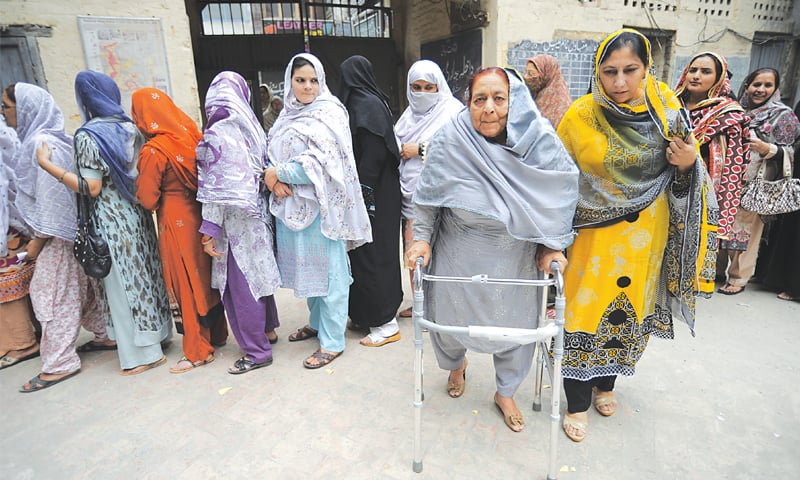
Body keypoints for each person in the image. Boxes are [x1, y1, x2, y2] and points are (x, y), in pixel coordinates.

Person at [556, 29, 718, 442]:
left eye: (631, 70)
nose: (621, 82)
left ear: (647, 69)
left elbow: (690, 185)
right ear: (598, 72)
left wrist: (686, 166)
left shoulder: (668, 112)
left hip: (646, 239)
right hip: (591, 241)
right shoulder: (579, 115)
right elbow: (555, 181)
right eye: (610, 72)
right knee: (583, 316)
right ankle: (576, 404)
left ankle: (606, 384)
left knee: (626, 314)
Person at [405, 67, 579, 432]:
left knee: (514, 332)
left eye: (499, 99)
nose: (488, 109)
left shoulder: (539, 140)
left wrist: (551, 247)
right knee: (449, 328)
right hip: (458, 249)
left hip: (514, 258)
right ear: (467, 103)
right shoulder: (451, 138)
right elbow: (427, 200)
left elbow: (557, 196)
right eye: (478, 99)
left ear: (514, 102)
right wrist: (420, 239)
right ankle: (457, 364)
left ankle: (505, 391)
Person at [39, 71, 173, 376]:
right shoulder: (130, 128)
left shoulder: (88, 135)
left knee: (123, 288)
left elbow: (92, 187)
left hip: (111, 221)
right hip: (138, 217)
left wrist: (49, 166)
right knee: (145, 278)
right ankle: (158, 338)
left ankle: (144, 355)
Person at [264, 53, 372, 368]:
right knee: (307, 270)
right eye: (300, 80)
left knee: (331, 276)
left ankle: (333, 341)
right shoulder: (286, 115)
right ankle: (316, 323)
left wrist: (277, 174)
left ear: (321, 81)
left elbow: (324, 163)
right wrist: (272, 178)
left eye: (313, 80)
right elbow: (270, 153)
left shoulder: (330, 113)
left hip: (323, 210)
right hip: (290, 206)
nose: (307, 86)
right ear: (290, 82)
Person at [5, 82, 109, 391]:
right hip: (72, 233)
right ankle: (107, 335)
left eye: (6, 106)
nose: (3, 113)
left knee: (51, 297)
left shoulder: (40, 143)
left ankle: (59, 363)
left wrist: (34, 245)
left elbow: (52, 203)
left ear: (24, 110)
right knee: (84, 288)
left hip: (56, 237)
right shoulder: (57, 138)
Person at [132, 88, 228, 374]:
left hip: (175, 221)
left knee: (185, 283)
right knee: (206, 277)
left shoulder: (154, 151)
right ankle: (218, 335)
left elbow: (147, 198)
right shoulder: (190, 136)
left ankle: (198, 351)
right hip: (201, 217)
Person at [197, 71, 282, 374]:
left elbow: (217, 190)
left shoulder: (218, 132)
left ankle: (256, 351)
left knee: (240, 286)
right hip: (256, 217)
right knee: (257, 275)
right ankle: (268, 330)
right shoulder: (250, 126)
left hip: (233, 224)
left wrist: (209, 230)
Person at [337, 55, 404, 347]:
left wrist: (361, 195)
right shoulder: (367, 103)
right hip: (370, 195)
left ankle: (385, 324)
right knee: (361, 255)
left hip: (375, 196)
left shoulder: (367, 106)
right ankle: (366, 314)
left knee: (375, 256)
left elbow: (375, 155)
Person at [674, 52, 751, 295]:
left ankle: (686, 282)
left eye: (705, 71)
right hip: (666, 179)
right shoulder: (668, 104)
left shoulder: (728, 114)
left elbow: (735, 160)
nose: (696, 76)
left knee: (692, 233)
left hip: (704, 185)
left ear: (719, 78)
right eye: (693, 70)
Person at [394, 59, 464, 318]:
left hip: (443, 197)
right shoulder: (407, 116)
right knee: (415, 250)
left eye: (428, 87)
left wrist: (420, 149)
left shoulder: (453, 111)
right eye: (416, 87)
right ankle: (420, 303)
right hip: (411, 197)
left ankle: (443, 305)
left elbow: (461, 149)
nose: (422, 93)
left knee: (444, 252)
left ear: (439, 87)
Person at [741, 68, 800, 301]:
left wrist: (769, 150)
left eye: (767, 85)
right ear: (747, 85)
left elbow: (792, 151)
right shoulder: (738, 110)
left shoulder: (783, 115)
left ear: (776, 89)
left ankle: (739, 278)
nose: (760, 90)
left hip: (762, 181)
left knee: (750, 230)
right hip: (735, 178)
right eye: (756, 84)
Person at [0, 110, 39, 371]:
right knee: (19, 278)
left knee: (7, 284)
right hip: (16, 217)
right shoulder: (8, 133)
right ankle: (30, 335)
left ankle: (22, 343)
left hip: (8, 221)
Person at [523, 54, 573, 129]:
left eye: (531, 74)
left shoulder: (561, 105)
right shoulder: (534, 96)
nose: (526, 77)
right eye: (525, 72)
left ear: (546, 74)